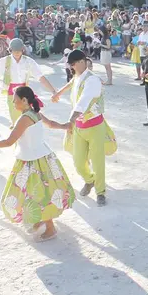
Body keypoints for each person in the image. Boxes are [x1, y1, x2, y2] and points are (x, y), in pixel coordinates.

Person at [0, 86, 75, 242]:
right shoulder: (34, 113)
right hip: (41, 157)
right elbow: (50, 123)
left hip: (32, 161)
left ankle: (50, 228)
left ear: (24, 100)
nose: (13, 103)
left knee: (38, 193)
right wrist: (65, 126)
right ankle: (39, 221)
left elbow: (9, 142)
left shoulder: (25, 118)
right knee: (36, 192)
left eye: (15, 100)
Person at [49, 50, 112, 206]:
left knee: (97, 161)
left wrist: (70, 121)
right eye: (70, 65)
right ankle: (90, 180)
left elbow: (83, 102)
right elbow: (71, 84)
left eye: (73, 64)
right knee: (78, 162)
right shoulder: (77, 77)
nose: (71, 67)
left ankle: (100, 192)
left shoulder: (93, 80)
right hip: (79, 126)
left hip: (95, 126)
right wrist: (58, 93)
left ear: (82, 61)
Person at [0, 38, 57, 126]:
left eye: (19, 50)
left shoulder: (29, 61)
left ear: (23, 49)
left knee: (29, 119)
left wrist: (53, 91)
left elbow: (41, 77)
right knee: (15, 119)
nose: (17, 52)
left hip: (25, 93)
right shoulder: (4, 61)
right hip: (12, 94)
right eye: (14, 50)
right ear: (10, 50)